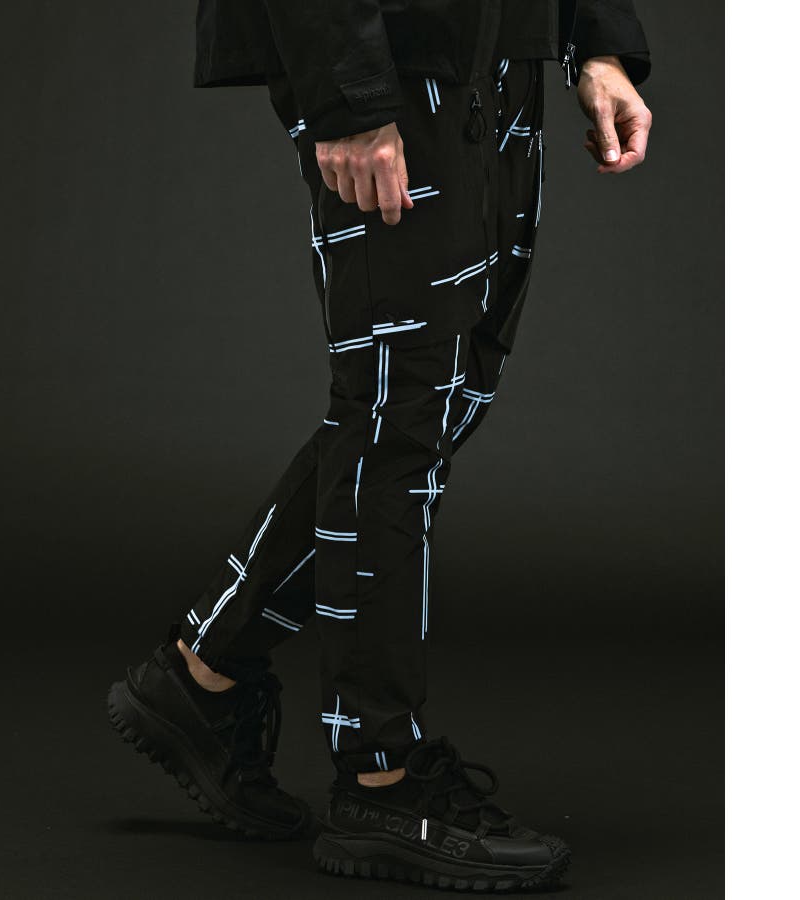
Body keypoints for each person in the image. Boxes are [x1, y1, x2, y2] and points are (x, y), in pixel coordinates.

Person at [108, 0, 651, 891]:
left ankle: (203, 675)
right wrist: (348, 95)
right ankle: (380, 779)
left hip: (504, 42)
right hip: (393, 56)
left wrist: (596, 40)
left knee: (447, 394)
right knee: (398, 412)